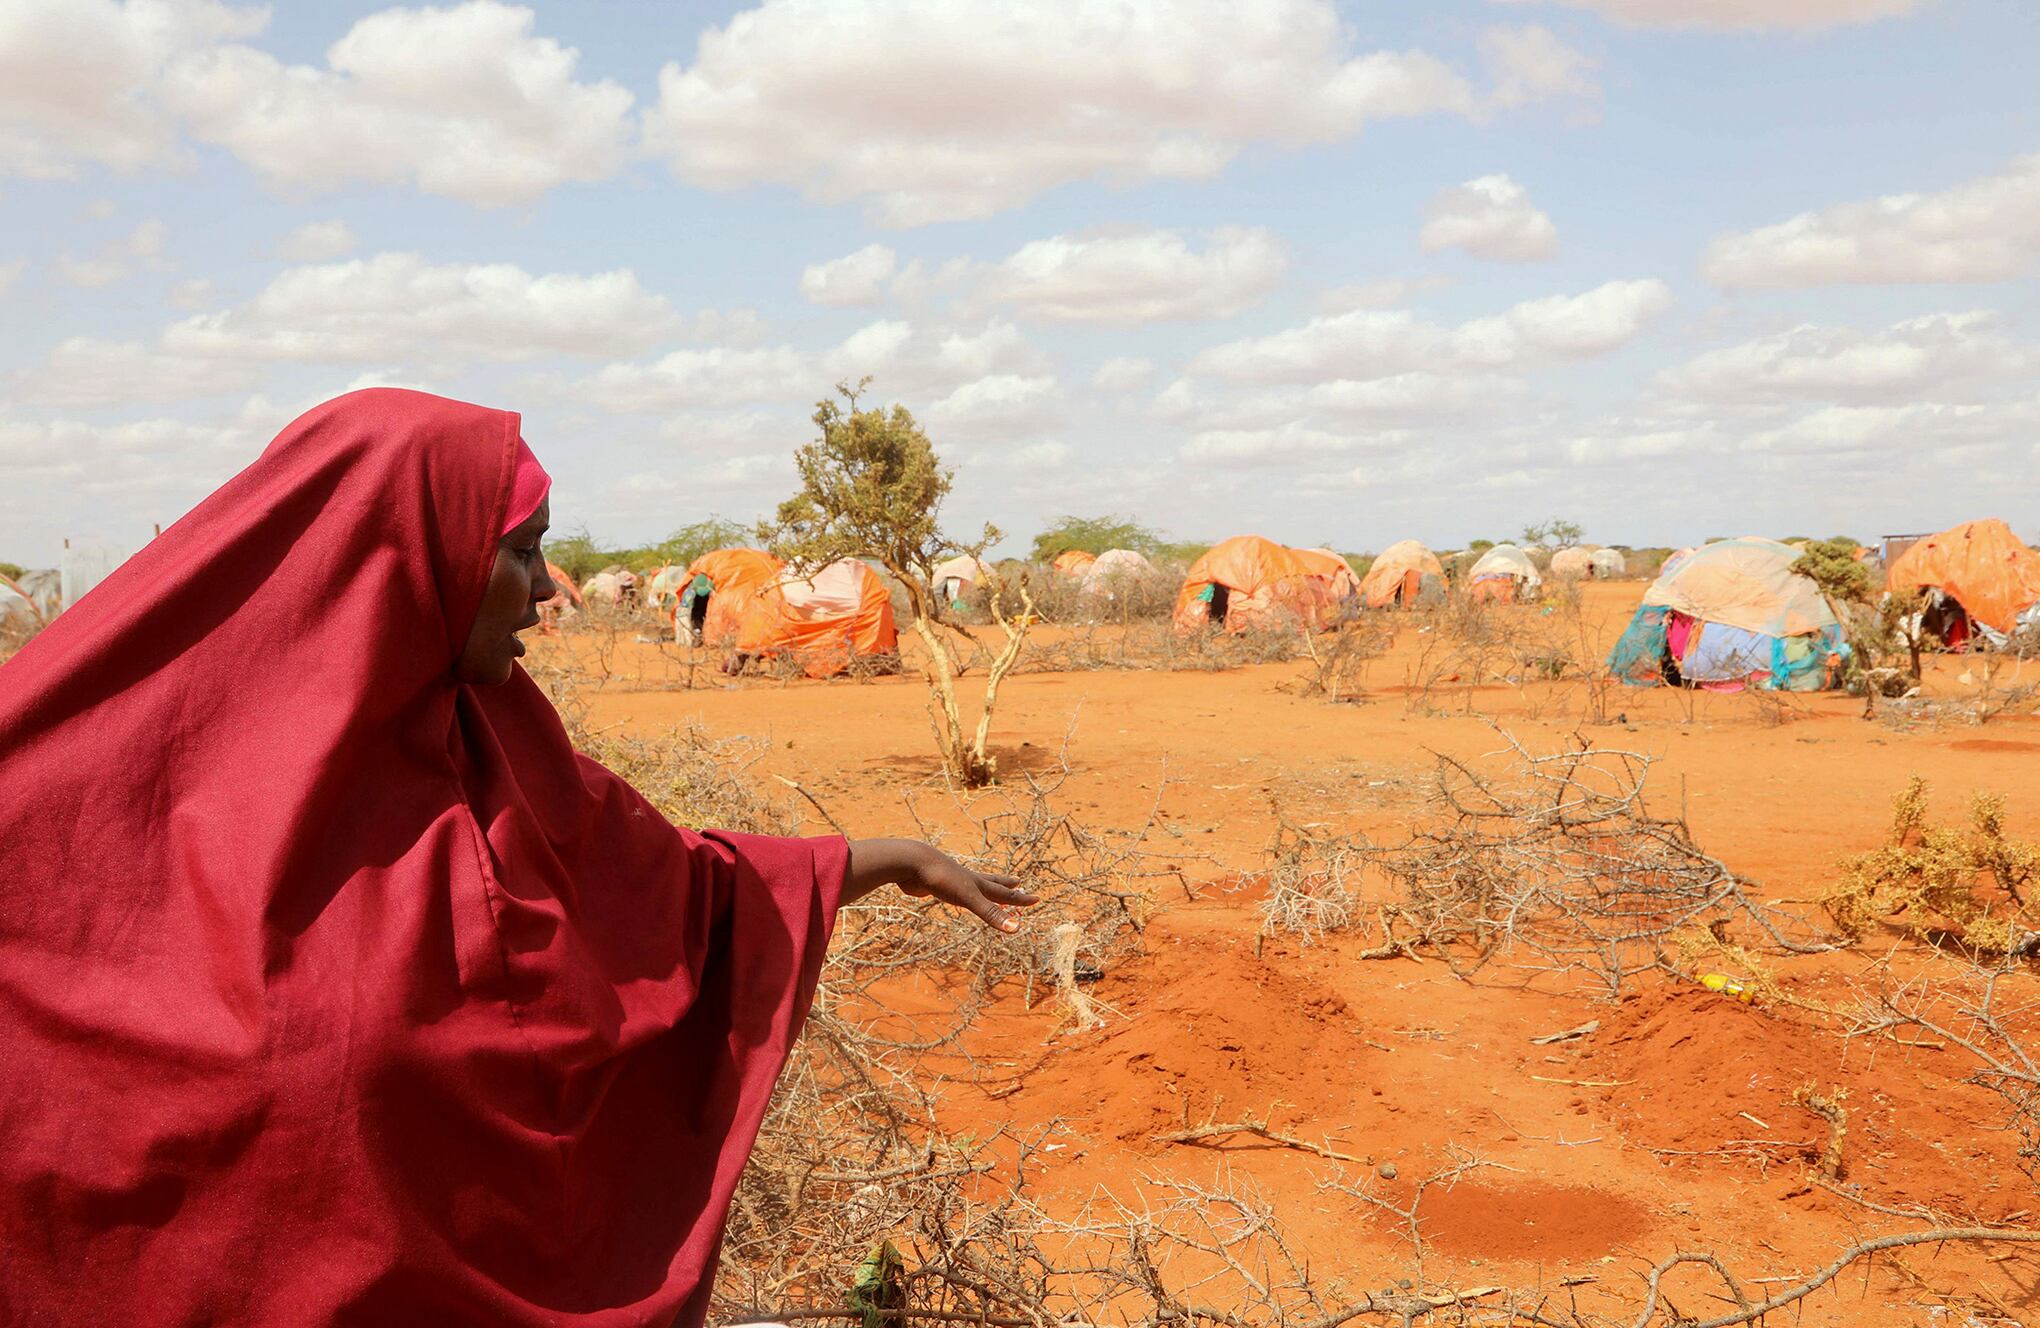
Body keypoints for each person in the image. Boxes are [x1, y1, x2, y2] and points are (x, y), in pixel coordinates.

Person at [0, 388, 1036, 1326]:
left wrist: (891, 858)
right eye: (521, 550)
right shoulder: (120, 787)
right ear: (405, 551)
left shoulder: (503, 750)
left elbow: (680, 890)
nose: (546, 587)